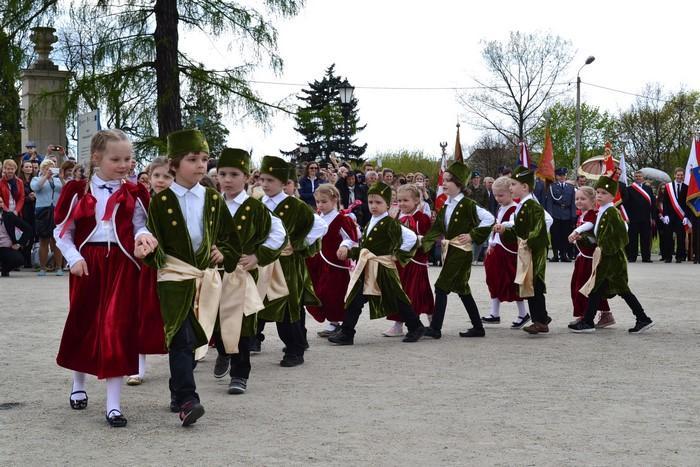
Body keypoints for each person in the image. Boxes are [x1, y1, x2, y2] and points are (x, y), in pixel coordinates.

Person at [137, 129, 241, 426]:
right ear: (173, 164)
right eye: (192, 159)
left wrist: (223, 253)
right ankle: (187, 400)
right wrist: (148, 252)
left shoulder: (212, 199)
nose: (200, 165)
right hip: (173, 277)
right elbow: (153, 241)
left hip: (204, 278)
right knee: (180, 338)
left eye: (205, 159)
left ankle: (175, 390)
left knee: (196, 337)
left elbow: (229, 238)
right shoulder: (160, 202)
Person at [53, 129, 155, 428]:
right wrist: (74, 258)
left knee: (117, 327)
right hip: (88, 263)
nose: (124, 165)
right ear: (97, 158)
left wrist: (144, 237)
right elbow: (62, 231)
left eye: (128, 158)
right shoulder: (77, 191)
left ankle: (113, 404)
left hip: (123, 264)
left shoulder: (135, 192)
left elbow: (140, 224)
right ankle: (78, 383)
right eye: (116, 159)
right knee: (83, 321)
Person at [212, 148, 286, 394]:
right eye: (223, 174)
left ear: (246, 177)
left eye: (234, 174)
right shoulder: (211, 205)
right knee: (216, 322)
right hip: (214, 275)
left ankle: (240, 374)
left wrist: (258, 256)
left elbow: (278, 234)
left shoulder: (256, 208)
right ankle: (223, 351)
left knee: (242, 325)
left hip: (242, 276)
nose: (228, 180)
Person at [328, 181, 426, 345]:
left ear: (387, 204)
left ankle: (415, 326)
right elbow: (367, 248)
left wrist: (398, 255)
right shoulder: (370, 222)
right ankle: (347, 332)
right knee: (355, 299)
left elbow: (411, 238)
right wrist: (350, 252)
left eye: (378, 202)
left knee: (397, 298)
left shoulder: (390, 223)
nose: (374, 206)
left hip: (382, 269)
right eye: (371, 202)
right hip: (367, 267)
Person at [255, 156, 328, 367]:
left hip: (287, 266)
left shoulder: (295, 206)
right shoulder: (258, 204)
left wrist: (298, 244)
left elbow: (320, 226)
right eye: (263, 179)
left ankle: (295, 350)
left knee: (287, 308)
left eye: (271, 180)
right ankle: (252, 341)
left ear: (283, 182)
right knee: (256, 302)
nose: (266, 184)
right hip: (262, 264)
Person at [569, 171, 654, 334]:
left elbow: (622, 236)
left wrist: (604, 249)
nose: (599, 196)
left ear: (612, 195)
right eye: (598, 192)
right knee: (597, 290)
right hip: (605, 259)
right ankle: (588, 321)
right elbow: (597, 235)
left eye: (604, 193)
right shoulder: (602, 211)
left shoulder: (612, 212)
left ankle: (642, 318)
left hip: (612, 260)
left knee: (621, 290)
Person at [420, 162, 495, 339]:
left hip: (461, 251)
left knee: (441, 286)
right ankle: (478, 327)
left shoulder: (468, 204)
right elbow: (437, 229)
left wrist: (472, 235)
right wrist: (420, 245)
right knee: (462, 288)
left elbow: (490, 218)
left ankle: (435, 328)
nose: (444, 184)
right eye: (443, 180)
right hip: (451, 249)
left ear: (459, 184)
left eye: (448, 181)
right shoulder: (446, 205)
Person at [126, 158, 173, 387]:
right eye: (157, 176)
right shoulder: (142, 201)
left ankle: (184, 361)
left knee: (175, 316)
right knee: (140, 314)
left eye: (167, 176)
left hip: (175, 267)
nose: (161, 181)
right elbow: (137, 226)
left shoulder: (180, 202)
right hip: (148, 266)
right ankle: (136, 367)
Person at [493, 166, 551, 334]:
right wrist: (505, 231)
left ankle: (540, 321)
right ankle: (542, 317)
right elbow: (519, 230)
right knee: (530, 284)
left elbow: (539, 230)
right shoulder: (522, 206)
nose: (510, 188)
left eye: (513, 184)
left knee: (534, 285)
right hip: (526, 250)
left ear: (524, 187)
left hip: (534, 252)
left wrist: (528, 243)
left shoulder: (533, 206)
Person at [306, 184, 358, 338]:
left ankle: (336, 322)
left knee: (334, 293)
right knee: (319, 291)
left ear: (334, 200)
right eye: (318, 202)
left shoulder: (341, 219)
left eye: (324, 201)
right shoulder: (317, 218)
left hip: (334, 264)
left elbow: (350, 238)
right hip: (318, 263)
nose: (320, 205)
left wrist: (344, 246)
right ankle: (332, 320)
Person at [383, 184, 434, 337]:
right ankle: (398, 323)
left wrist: (418, 241)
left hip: (416, 262)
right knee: (400, 292)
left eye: (406, 200)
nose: (402, 204)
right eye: (399, 200)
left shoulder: (422, 218)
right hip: (400, 262)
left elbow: (427, 240)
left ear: (417, 201)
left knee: (418, 292)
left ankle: (431, 320)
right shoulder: (398, 217)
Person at [480, 176, 530, 329]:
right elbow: (494, 228)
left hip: (508, 252)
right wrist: (490, 243)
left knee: (512, 281)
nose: (498, 199)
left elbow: (515, 225)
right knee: (493, 280)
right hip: (496, 250)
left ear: (511, 193)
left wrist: (505, 225)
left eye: (501, 195)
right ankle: (494, 313)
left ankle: (523, 313)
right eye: (495, 195)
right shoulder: (501, 208)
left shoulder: (515, 209)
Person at [567, 186, 612, 327]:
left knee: (583, 287)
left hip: (589, 260)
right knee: (583, 286)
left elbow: (589, 225)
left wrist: (576, 231)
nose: (579, 201)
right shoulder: (582, 214)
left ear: (593, 201)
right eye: (577, 199)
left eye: (583, 199)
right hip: (583, 257)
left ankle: (584, 316)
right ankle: (605, 314)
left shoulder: (592, 214)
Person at [31, 159, 64, 275]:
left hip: (56, 210)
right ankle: (43, 268)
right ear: (42, 169)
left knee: (56, 240)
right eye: (46, 168)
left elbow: (66, 189)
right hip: (42, 211)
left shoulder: (58, 180)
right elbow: (35, 187)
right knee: (43, 240)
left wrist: (60, 177)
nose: (49, 170)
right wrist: (45, 176)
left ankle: (59, 267)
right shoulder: (36, 179)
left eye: (51, 168)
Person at [623, 171, 656, 263]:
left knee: (645, 239)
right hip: (633, 218)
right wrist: (626, 217)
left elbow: (653, 204)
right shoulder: (629, 189)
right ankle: (632, 257)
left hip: (645, 218)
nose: (638, 178)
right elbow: (626, 204)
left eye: (640, 176)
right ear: (634, 177)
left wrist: (653, 217)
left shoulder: (648, 188)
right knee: (632, 239)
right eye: (636, 176)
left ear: (643, 178)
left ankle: (646, 257)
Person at [545, 167, 577, 262]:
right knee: (555, 235)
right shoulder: (552, 187)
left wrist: (573, 215)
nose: (562, 177)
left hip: (567, 215)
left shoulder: (571, 188)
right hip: (556, 214)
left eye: (564, 175)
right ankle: (555, 255)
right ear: (556, 176)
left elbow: (573, 203)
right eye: (560, 175)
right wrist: (550, 215)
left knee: (565, 235)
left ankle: (564, 255)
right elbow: (550, 202)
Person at [659, 168, 690, 263]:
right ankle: (668, 257)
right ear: (674, 175)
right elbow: (665, 202)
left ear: (683, 176)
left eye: (681, 175)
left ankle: (679, 257)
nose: (680, 177)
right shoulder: (668, 187)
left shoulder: (686, 187)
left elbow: (687, 204)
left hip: (681, 216)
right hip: (670, 216)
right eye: (678, 175)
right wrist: (666, 215)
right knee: (668, 237)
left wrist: (686, 217)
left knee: (681, 237)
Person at [0, 197, 33, 276]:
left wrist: (19, 244)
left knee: (18, 259)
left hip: (6, 247)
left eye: (1, 202)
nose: (0, 204)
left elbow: (28, 229)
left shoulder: (9, 216)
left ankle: (4, 270)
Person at [18, 161, 36, 267]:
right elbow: (18, 197)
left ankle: (28, 260)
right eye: (27, 167)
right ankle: (22, 258)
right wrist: (28, 198)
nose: (29, 168)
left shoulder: (35, 180)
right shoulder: (19, 181)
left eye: (30, 167)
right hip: (24, 210)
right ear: (22, 168)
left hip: (34, 211)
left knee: (32, 235)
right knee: (24, 234)